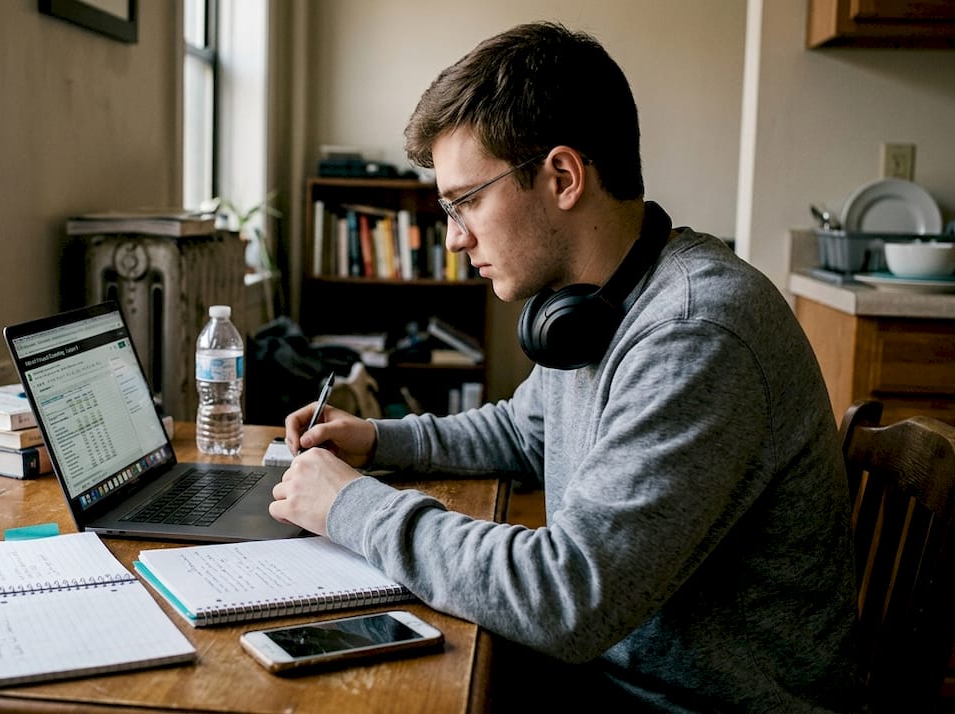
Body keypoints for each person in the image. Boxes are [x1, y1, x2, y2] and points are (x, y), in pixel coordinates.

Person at [270, 21, 859, 713]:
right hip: (616, 674)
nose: (456, 237)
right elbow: (524, 430)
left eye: (465, 202)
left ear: (562, 176)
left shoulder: (695, 332)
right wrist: (378, 440)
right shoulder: (599, 304)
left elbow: (567, 597)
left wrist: (350, 505)